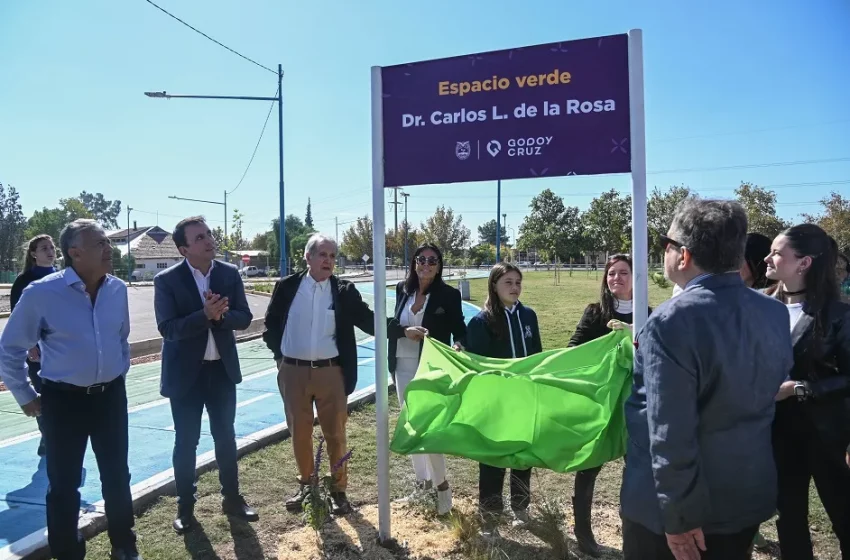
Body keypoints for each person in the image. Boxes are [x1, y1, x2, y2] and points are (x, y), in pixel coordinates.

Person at [621, 199, 794, 560]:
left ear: (682, 256)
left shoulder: (672, 321)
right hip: (745, 496)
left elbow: (670, 431)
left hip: (676, 515)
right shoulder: (774, 313)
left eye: (664, 245)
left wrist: (680, 517)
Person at [0, 220, 140, 560]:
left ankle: (124, 545)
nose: (109, 248)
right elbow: (10, 349)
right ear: (75, 253)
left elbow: (121, 339)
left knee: (117, 476)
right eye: (100, 243)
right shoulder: (42, 293)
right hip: (62, 402)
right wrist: (25, 395)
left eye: (109, 242)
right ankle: (68, 553)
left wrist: (116, 372)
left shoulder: (117, 289)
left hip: (110, 397)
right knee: (63, 486)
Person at [154, 216, 258, 535]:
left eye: (209, 234)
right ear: (184, 248)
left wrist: (220, 316)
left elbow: (245, 317)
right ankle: (185, 508)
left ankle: (232, 499)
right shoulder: (167, 281)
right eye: (200, 237)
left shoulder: (228, 273)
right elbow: (168, 329)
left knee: (225, 437)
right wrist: (204, 316)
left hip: (221, 372)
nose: (209, 240)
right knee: (186, 442)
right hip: (186, 377)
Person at [263, 233, 376, 516]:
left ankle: (338, 491)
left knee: (335, 434)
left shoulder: (344, 291)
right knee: (300, 433)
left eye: (333, 256)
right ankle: (307, 486)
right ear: (308, 257)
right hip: (293, 373)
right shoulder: (288, 287)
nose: (328, 260)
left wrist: (399, 329)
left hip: (331, 373)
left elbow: (367, 320)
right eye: (322, 254)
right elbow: (271, 325)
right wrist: (282, 359)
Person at [765, 224, 850, 559]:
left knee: (844, 519)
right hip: (777, 434)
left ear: (804, 263)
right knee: (788, 520)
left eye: (777, 252)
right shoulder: (761, 305)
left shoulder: (839, 316)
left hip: (827, 436)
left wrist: (800, 388)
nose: (768, 258)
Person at [568, 254, 650, 557]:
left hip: (635, 407)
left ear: (635, 277)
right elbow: (573, 349)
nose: (616, 278)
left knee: (637, 471)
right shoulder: (594, 313)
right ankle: (584, 535)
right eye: (611, 274)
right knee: (589, 467)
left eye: (623, 273)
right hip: (601, 407)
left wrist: (633, 337)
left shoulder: (648, 315)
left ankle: (634, 532)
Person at [389, 243, 466, 516]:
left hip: (430, 368)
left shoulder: (448, 295)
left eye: (432, 260)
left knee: (429, 429)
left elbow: (460, 330)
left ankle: (442, 486)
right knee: (411, 425)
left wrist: (459, 345)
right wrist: (404, 331)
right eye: (421, 259)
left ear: (439, 265)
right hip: (402, 366)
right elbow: (392, 325)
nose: (426, 264)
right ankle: (421, 483)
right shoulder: (402, 289)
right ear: (414, 263)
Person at [466, 262, 542, 538]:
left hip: (524, 398)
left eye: (518, 282)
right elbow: (476, 366)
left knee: (522, 456)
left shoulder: (529, 316)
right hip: (496, 403)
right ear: (494, 286)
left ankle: (521, 508)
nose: (514, 287)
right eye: (507, 282)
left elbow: (537, 355)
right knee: (494, 460)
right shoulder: (482, 321)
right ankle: (490, 517)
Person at [10, 234, 57, 457]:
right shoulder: (24, 281)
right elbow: (17, 319)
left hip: (60, 349)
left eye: (52, 247)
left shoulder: (63, 277)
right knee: (43, 394)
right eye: (44, 248)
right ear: (33, 254)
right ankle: (47, 436)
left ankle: (56, 435)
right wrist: (30, 345)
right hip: (37, 350)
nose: (50, 251)